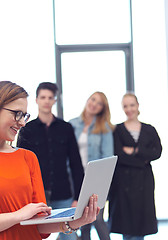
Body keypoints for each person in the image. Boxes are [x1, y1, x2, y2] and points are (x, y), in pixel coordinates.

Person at [0, 81, 100, 240]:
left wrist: (74, 222)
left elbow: (40, 226)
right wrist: (16, 216)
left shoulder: (28, 158)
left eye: (24, 115)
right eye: (17, 113)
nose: (23, 122)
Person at [17, 82, 84, 240]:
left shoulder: (66, 128)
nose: (46, 101)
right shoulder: (26, 129)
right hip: (36, 195)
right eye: (43, 97)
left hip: (64, 193)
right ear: (36, 100)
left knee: (69, 236)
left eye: (50, 97)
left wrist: (78, 198)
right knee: (34, 235)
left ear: (55, 100)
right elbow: (20, 166)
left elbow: (76, 163)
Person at [108, 93, 162, 240]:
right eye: (125, 106)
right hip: (124, 182)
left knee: (141, 223)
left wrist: (135, 151)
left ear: (138, 106)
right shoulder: (117, 130)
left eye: (132, 105)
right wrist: (143, 159)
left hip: (144, 181)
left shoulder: (149, 129)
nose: (129, 109)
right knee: (127, 223)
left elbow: (157, 152)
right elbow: (119, 156)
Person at [69, 91, 114, 240]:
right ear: (88, 100)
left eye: (99, 103)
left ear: (102, 108)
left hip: (95, 180)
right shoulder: (72, 124)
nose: (94, 104)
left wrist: (100, 182)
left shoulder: (105, 128)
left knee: (97, 219)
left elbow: (107, 157)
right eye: (93, 100)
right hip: (74, 179)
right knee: (83, 222)